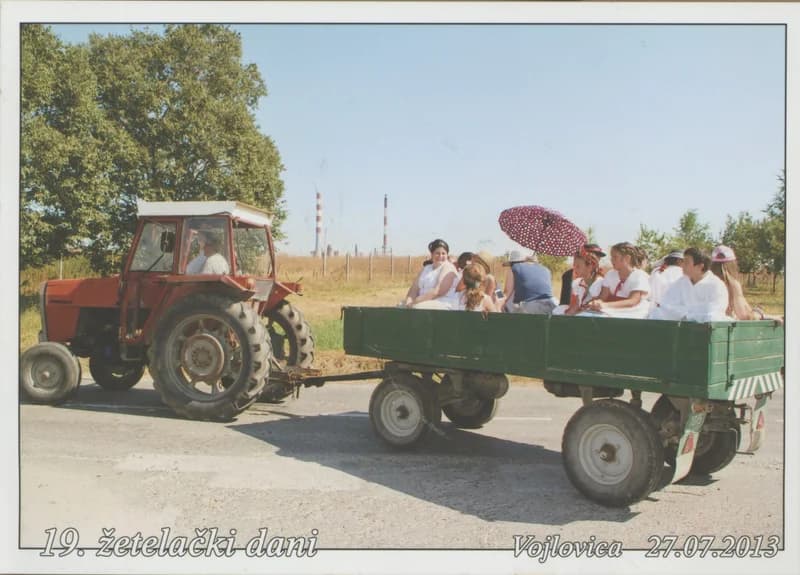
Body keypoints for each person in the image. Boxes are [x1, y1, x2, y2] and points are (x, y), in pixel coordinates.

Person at [649, 247, 729, 322]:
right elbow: (666, 306)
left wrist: (686, 313)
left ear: (700, 266)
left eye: (686, 262)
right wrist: (689, 313)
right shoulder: (680, 283)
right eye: (683, 261)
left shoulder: (716, 285)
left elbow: (713, 312)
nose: (682, 265)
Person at [710, 245, 783, 323]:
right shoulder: (732, 284)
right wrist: (762, 315)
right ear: (733, 264)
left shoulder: (704, 281)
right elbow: (744, 316)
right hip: (723, 327)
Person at [583, 242, 650, 318]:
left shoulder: (639, 275)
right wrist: (596, 303)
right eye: (611, 257)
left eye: (615, 257)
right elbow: (603, 296)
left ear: (627, 258)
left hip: (634, 312)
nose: (611, 260)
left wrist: (605, 305)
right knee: (584, 315)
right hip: (613, 309)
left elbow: (633, 301)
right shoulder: (610, 274)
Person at [404, 239, 459, 309]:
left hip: (443, 302)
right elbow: (414, 289)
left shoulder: (448, 267)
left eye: (443, 253)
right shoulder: (426, 268)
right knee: (400, 307)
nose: (440, 256)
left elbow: (438, 291)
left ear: (447, 255)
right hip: (422, 302)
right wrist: (408, 302)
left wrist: (414, 302)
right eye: (437, 253)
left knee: (417, 308)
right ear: (432, 254)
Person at [553, 244, 605, 316]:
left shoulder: (599, 282)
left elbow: (593, 306)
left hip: (593, 314)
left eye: (578, 266)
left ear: (590, 266)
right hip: (581, 311)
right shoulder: (576, 282)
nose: (574, 268)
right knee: (559, 310)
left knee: (584, 314)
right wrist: (567, 315)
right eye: (574, 265)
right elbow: (575, 305)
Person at [500, 250, 556, 315]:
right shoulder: (546, 269)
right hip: (551, 306)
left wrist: (497, 296)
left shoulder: (514, 268)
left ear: (513, 263)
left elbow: (506, 293)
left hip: (530, 308)